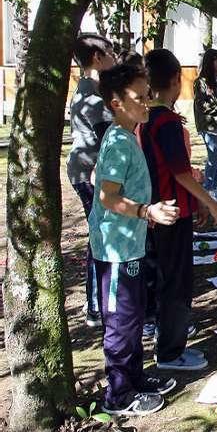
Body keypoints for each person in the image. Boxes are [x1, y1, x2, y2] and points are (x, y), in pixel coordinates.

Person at [91, 63, 179, 416]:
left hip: (131, 245)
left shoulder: (129, 136)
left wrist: (148, 214)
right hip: (115, 251)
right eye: (139, 98)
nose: (147, 103)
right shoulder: (118, 142)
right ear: (116, 103)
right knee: (121, 322)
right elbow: (107, 197)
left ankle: (136, 378)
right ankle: (118, 396)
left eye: (147, 96)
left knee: (134, 316)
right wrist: (146, 211)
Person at [141, 49, 217, 371]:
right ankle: (170, 353)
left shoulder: (146, 119)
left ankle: (168, 345)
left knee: (166, 279)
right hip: (171, 214)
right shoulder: (167, 122)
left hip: (161, 210)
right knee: (176, 282)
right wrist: (209, 201)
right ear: (177, 80)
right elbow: (179, 172)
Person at [67, 34, 117, 327]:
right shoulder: (92, 97)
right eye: (110, 53)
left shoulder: (94, 90)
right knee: (99, 237)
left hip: (90, 171)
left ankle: (97, 303)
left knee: (100, 235)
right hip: (89, 173)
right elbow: (108, 141)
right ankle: (96, 305)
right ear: (97, 58)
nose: (114, 58)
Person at [193, 48, 217, 203]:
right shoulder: (201, 82)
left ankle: (215, 186)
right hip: (210, 124)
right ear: (210, 63)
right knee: (213, 155)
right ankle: (208, 188)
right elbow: (202, 104)